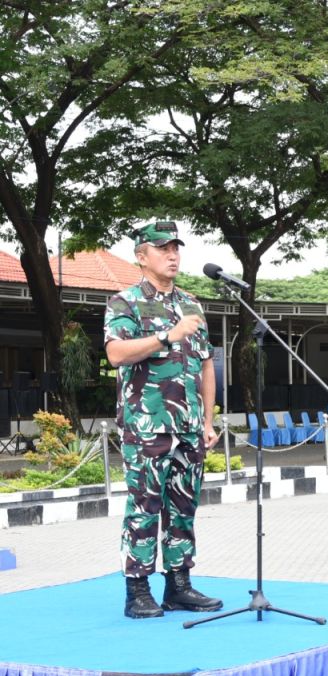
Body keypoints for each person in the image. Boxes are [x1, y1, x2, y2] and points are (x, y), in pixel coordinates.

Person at [104, 220, 222, 619]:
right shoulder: (125, 302)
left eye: (176, 248)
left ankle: (179, 585)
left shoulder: (192, 304)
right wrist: (166, 336)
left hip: (189, 427)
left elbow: (206, 366)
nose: (173, 255)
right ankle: (137, 589)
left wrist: (208, 421)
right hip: (146, 426)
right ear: (142, 256)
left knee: (183, 507)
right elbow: (117, 354)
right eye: (163, 248)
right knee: (145, 507)